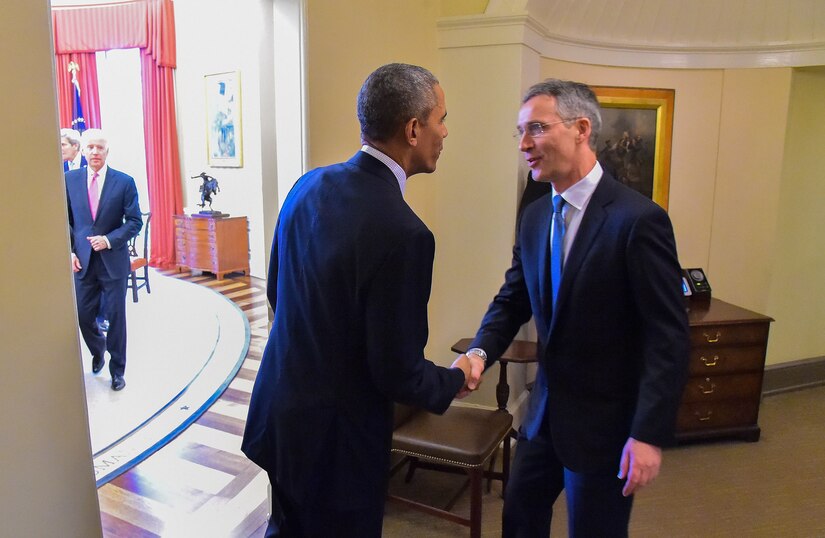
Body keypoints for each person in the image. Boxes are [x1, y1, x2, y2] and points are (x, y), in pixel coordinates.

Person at [241, 63, 484, 537]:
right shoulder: (406, 233)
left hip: (281, 416)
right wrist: (454, 379)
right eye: (441, 119)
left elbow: (276, 291)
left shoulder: (307, 185)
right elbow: (395, 369)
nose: (445, 132)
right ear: (413, 129)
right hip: (337, 447)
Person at [462, 79, 690, 537]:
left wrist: (647, 434)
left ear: (581, 128)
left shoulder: (638, 221)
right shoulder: (533, 216)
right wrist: (480, 352)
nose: (524, 144)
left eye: (537, 129)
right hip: (543, 417)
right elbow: (513, 298)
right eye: (520, 133)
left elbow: (667, 337)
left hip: (606, 427)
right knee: (518, 520)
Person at [65, 129, 142, 391]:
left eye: (100, 148)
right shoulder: (68, 180)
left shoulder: (124, 182)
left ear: (107, 151)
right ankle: (98, 350)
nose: (95, 152)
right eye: (91, 148)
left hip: (113, 261)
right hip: (82, 262)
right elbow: (65, 222)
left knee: (116, 316)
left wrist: (108, 240)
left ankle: (117, 370)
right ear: (83, 150)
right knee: (84, 316)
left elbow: (134, 222)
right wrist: (70, 252)